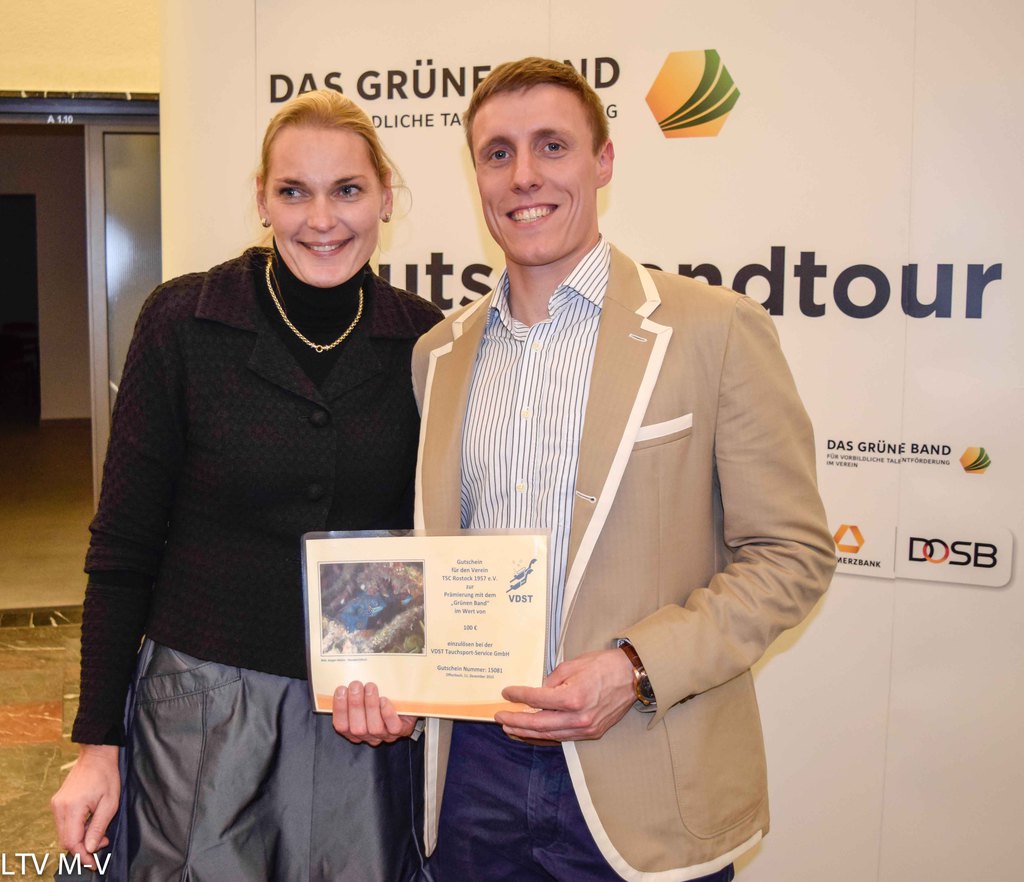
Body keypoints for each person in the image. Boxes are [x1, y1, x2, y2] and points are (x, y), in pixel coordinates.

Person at [408, 58, 837, 880]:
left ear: (602, 162)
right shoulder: (439, 356)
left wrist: (636, 668)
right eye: (498, 154)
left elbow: (793, 554)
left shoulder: (715, 330)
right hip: (472, 777)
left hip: (645, 767)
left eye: (552, 145)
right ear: (477, 177)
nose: (524, 176)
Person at [50, 89, 442, 881]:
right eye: (294, 191)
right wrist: (97, 745)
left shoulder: (424, 341)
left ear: (385, 197)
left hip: (359, 712)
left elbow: (427, 536)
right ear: (262, 199)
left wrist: (408, 682)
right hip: (202, 710)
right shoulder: (183, 322)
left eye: (347, 190)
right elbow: (123, 546)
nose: (321, 219)